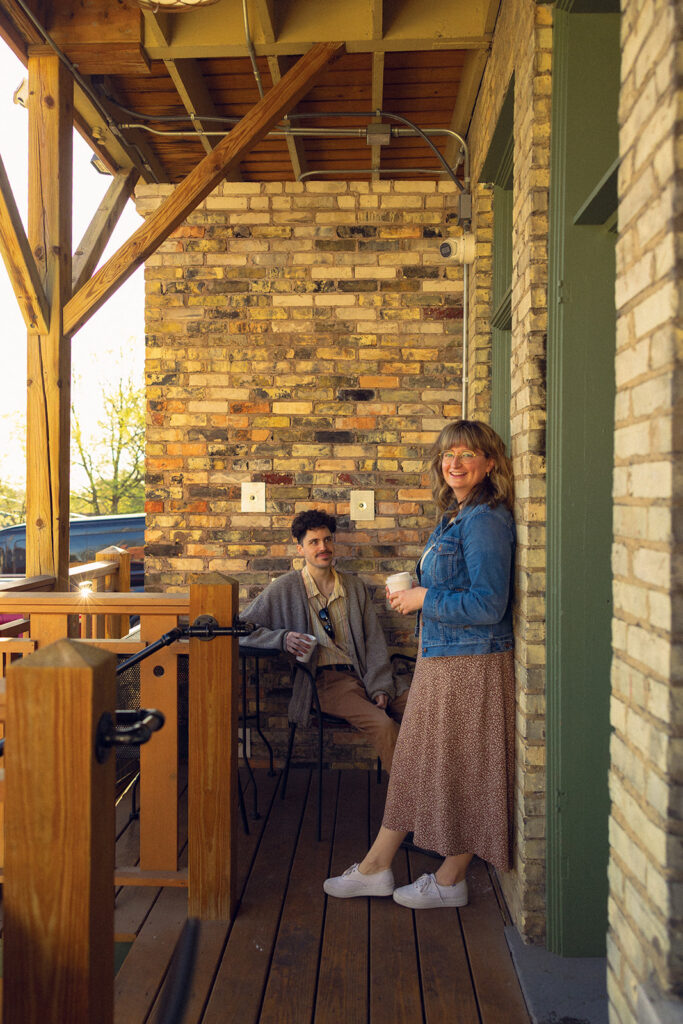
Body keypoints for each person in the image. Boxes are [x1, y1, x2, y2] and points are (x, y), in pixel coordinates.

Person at [324, 419, 515, 909]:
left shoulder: (486, 519)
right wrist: (414, 594)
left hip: (472, 664)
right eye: (449, 453)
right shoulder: (455, 515)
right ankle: (379, 866)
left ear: (489, 463)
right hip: (443, 659)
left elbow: (489, 604)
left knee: (465, 768)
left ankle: (445, 878)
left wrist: (424, 596)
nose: (455, 462)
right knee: (415, 762)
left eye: (468, 454)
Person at [241, 509, 409, 771]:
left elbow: (375, 642)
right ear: (300, 549)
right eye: (314, 542)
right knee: (384, 725)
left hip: (365, 676)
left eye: (328, 540)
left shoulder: (354, 588)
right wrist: (281, 639)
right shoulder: (285, 588)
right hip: (324, 683)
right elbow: (241, 630)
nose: (323, 547)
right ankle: (411, 804)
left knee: (425, 709)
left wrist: (379, 687)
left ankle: (441, 790)